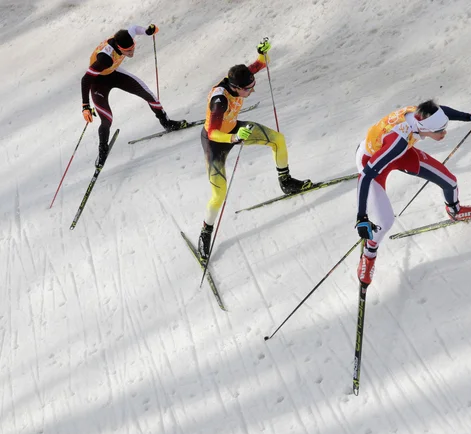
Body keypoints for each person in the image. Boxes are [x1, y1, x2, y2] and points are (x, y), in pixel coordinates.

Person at [354, 100, 471, 284]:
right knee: (386, 221)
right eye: (439, 131)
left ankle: (456, 211)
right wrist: (361, 217)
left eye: (444, 128)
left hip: (400, 153)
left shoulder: (421, 115)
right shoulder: (397, 141)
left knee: (450, 182)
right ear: (423, 127)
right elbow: (365, 176)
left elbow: (442, 111)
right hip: (372, 161)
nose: (444, 133)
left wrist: (470, 116)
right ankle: (369, 254)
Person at [197, 39, 312, 261]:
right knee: (219, 194)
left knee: (278, 139)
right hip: (216, 142)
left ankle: (285, 182)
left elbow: (260, 64)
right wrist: (234, 137)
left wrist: (261, 54)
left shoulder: (240, 78)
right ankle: (205, 232)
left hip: (235, 130)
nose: (252, 91)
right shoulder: (219, 101)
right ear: (236, 87)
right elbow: (212, 133)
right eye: (248, 89)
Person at [81, 24, 188, 168]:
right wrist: (85, 106)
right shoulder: (105, 58)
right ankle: (102, 150)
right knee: (107, 119)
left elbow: (134, 28)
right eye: (128, 51)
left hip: (114, 73)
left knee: (148, 94)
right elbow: (86, 79)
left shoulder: (126, 36)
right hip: (98, 81)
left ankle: (166, 122)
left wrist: (147, 31)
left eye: (133, 48)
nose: (132, 52)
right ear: (119, 48)